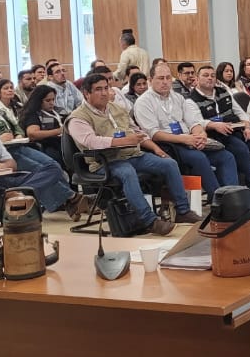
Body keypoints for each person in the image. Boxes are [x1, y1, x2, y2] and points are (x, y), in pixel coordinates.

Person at [68, 74, 200, 236]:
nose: (104, 93)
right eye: (98, 89)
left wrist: (156, 149)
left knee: (169, 163)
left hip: (131, 155)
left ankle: (183, 211)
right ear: (86, 93)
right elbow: (91, 141)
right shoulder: (77, 118)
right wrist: (123, 141)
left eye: (106, 88)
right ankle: (150, 221)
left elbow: (136, 132)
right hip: (104, 162)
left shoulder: (116, 108)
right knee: (127, 172)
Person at [0, 83, 94, 220]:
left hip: (18, 144)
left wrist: (18, 134)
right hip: (5, 152)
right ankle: (71, 198)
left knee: (52, 167)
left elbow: (16, 126)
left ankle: (70, 200)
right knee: (43, 171)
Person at [133, 64, 240, 196]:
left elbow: (194, 122)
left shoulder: (178, 98)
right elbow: (154, 134)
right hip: (168, 144)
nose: (165, 82)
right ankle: (217, 198)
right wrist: (184, 139)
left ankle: (233, 196)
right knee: (198, 158)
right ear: (150, 80)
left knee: (226, 156)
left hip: (189, 140)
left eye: (168, 78)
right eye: (161, 78)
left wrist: (201, 135)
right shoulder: (143, 102)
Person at [189, 65, 250, 199]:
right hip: (218, 135)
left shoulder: (223, 92)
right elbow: (197, 122)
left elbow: (241, 112)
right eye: (205, 75)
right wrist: (214, 125)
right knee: (241, 149)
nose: (210, 78)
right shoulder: (191, 100)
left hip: (238, 129)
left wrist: (247, 127)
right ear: (197, 79)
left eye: (212, 75)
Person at [19, 84, 67, 169]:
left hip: (64, 143)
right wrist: (58, 131)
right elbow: (32, 134)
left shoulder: (60, 110)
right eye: (47, 100)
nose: (52, 103)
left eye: (53, 99)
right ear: (38, 101)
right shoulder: (33, 114)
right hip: (47, 146)